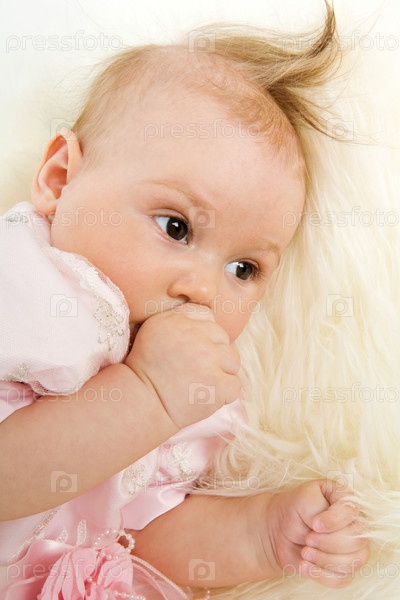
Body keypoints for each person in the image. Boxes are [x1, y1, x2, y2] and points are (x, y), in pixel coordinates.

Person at [0, 3, 369, 598]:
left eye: (243, 269)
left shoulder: (193, 391)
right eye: (176, 227)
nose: (203, 289)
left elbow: (141, 540)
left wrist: (264, 534)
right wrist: (145, 396)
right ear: (61, 179)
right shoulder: (27, 284)